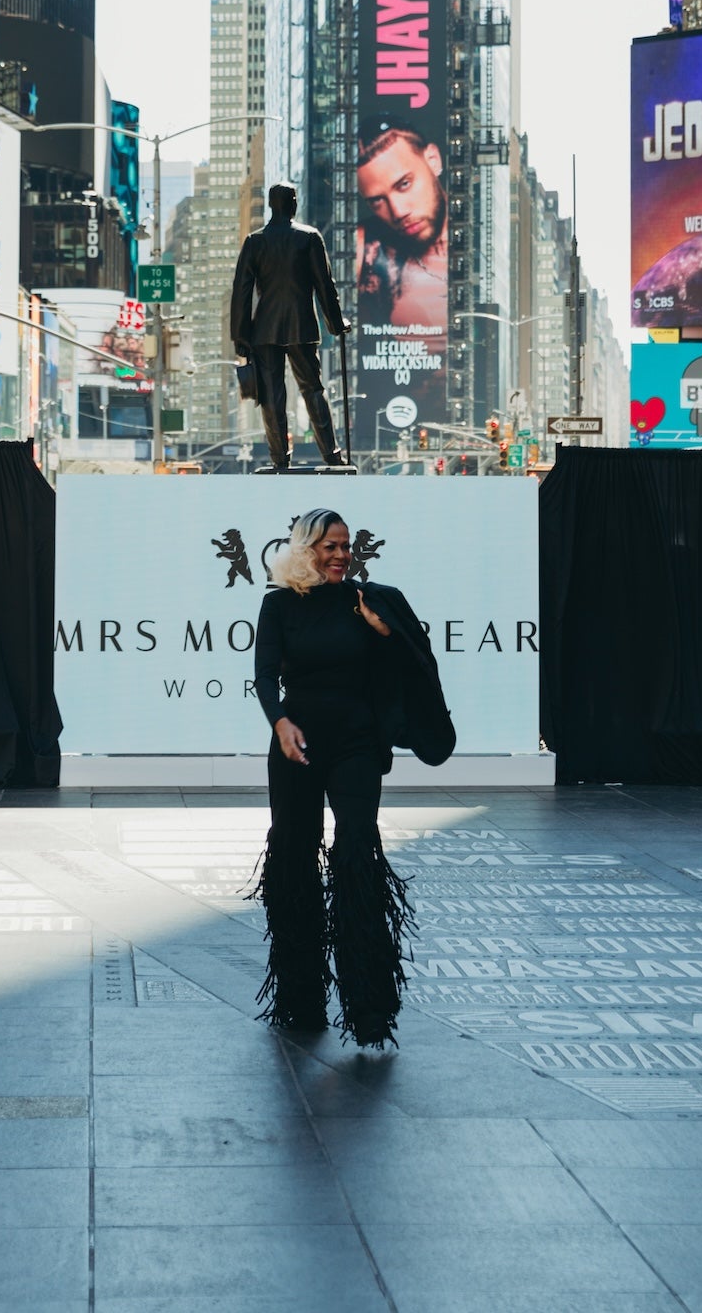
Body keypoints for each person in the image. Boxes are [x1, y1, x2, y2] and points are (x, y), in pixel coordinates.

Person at [251, 508, 454, 1048]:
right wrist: (280, 723)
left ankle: (368, 1006)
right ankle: (300, 1000)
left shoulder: (372, 601)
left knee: (356, 856)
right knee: (293, 859)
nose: (341, 555)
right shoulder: (278, 605)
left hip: (358, 745)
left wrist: (385, 635)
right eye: (329, 546)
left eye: (345, 546)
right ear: (304, 551)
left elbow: (413, 670)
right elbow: (264, 675)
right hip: (298, 745)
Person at [230, 182, 350, 473]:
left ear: (272, 205)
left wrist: (240, 337)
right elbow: (325, 285)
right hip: (302, 326)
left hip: (265, 330)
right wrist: (336, 323)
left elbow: (241, 292)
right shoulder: (309, 238)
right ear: (293, 203)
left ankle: (280, 460)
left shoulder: (255, 242)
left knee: (272, 396)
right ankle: (332, 456)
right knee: (313, 390)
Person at [356, 116, 449, 334]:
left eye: (404, 184)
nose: (398, 212)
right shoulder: (364, 251)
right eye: (377, 200)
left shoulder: (482, 238)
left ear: (433, 160)